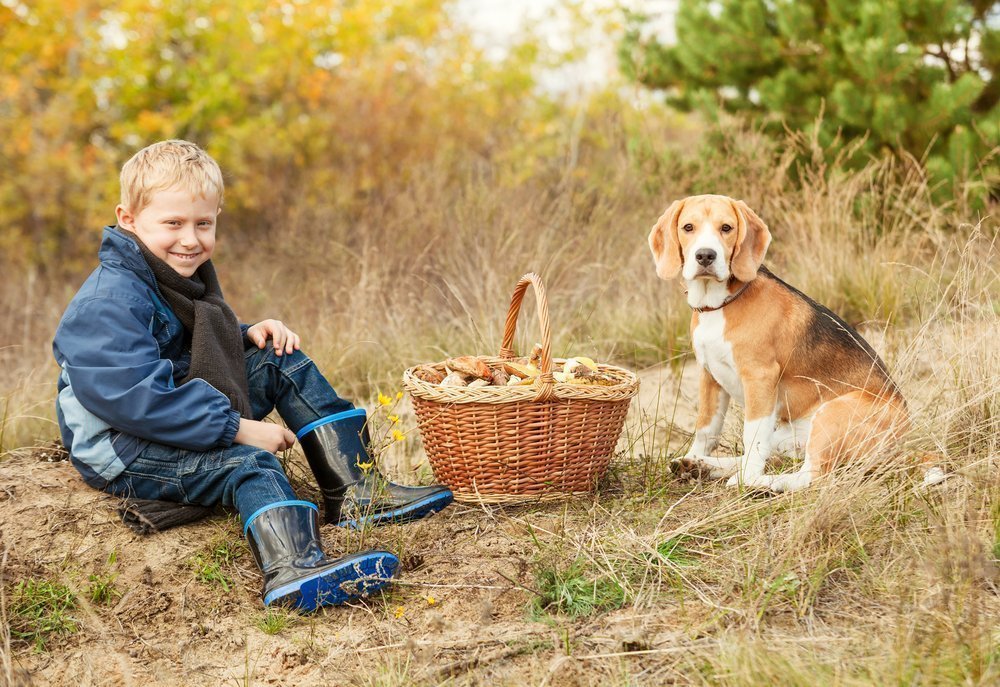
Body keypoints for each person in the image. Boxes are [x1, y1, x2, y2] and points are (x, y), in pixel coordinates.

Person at [52, 140, 453, 611]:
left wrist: (244, 336)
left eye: (203, 223)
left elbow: (181, 348)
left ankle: (356, 490)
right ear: (128, 218)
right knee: (246, 460)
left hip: (173, 408)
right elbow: (137, 399)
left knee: (280, 358)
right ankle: (293, 569)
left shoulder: (166, 273)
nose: (190, 239)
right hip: (123, 443)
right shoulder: (108, 302)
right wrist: (238, 429)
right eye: (173, 223)